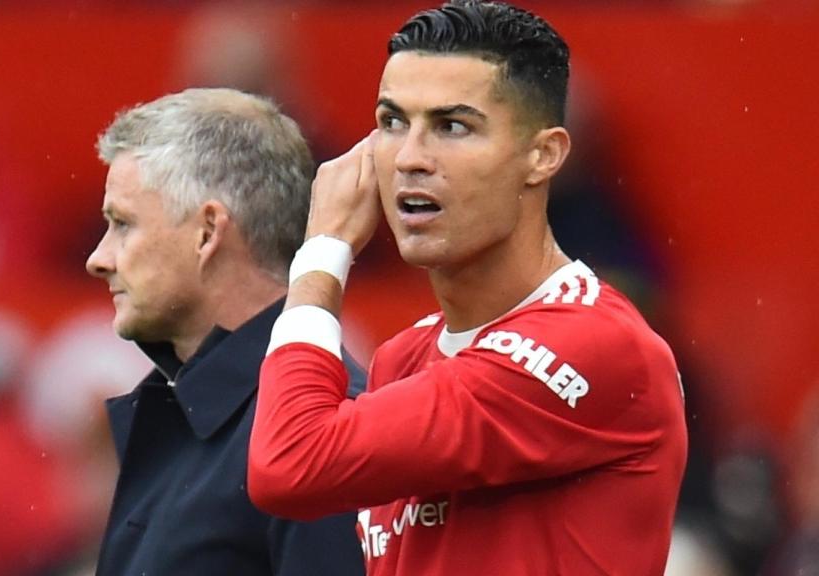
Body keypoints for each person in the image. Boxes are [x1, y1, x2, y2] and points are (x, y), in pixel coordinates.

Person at [247, 2, 687, 575]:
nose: (409, 159)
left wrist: (322, 255)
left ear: (543, 155)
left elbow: (290, 464)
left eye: (452, 126)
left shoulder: (596, 345)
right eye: (392, 122)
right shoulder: (403, 358)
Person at [85, 87, 366, 576]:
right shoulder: (188, 414)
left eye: (122, 224)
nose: (99, 259)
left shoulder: (325, 428)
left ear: (208, 231)